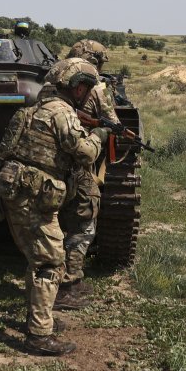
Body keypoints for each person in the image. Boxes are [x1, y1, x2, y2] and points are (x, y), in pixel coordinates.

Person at [0, 59, 109, 356]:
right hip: (32, 195)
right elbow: (84, 153)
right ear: (77, 86)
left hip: (17, 191)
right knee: (50, 263)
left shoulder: (36, 108)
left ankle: (38, 320)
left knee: (39, 260)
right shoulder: (61, 113)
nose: (86, 93)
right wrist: (100, 135)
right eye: (85, 87)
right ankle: (39, 337)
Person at [55, 52, 119, 310]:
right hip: (79, 165)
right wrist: (101, 133)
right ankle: (67, 286)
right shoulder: (96, 90)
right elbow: (111, 122)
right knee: (84, 222)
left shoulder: (52, 87)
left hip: (50, 167)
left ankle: (62, 281)